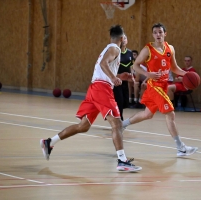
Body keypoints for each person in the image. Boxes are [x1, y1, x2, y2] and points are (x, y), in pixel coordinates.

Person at [40, 25, 142, 172]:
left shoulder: (109, 48)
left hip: (95, 88)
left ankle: (49, 142)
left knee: (83, 126)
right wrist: (114, 78)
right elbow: (103, 64)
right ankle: (122, 161)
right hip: (102, 89)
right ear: (121, 38)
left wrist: (120, 77)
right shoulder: (115, 48)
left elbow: (102, 69)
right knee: (117, 124)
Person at [122, 23, 198, 157]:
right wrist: (148, 74)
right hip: (154, 86)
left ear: (165, 34)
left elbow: (174, 68)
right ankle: (181, 147)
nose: (158, 35)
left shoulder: (170, 48)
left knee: (147, 114)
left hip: (163, 85)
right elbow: (135, 65)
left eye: (160, 32)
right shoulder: (148, 49)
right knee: (171, 114)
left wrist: (186, 75)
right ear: (153, 35)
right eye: (155, 32)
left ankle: (122, 124)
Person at [113, 34, 134, 121]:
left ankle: (116, 116)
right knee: (119, 100)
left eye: (125, 38)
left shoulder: (130, 53)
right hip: (116, 81)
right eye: (122, 38)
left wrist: (132, 75)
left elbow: (131, 66)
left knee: (125, 101)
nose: (123, 40)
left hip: (125, 81)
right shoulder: (115, 52)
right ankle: (119, 119)